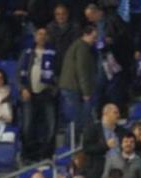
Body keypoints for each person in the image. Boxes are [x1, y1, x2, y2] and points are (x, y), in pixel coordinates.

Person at [18, 27, 58, 162]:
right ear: (35, 36)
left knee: (51, 125)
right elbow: (19, 73)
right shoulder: (27, 53)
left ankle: (46, 154)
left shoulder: (53, 53)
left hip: (46, 93)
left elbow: (58, 72)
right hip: (29, 93)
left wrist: (54, 89)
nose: (41, 36)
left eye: (44, 34)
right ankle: (29, 154)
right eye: (39, 34)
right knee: (27, 126)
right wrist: (23, 88)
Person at [82, 103, 124, 178]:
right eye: (115, 112)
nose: (118, 115)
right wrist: (105, 146)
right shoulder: (93, 129)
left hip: (120, 171)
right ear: (105, 113)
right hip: (99, 172)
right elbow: (87, 148)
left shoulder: (122, 131)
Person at [59, 25, 98, 134]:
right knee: (78, 120)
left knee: (77, 120)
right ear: (86, 34)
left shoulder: (77, 45)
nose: (95, 40)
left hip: (70, 87)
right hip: (73, 87)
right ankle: (70, 146)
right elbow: (82, 70)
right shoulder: (82, 48)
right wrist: (86, 92)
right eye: (93, 37)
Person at [47, 3, 81, 77]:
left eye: (63, 14)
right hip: (55, 63)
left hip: (70, 63)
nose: (61, 16)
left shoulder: (75, 27)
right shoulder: (50, 27)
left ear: (67, 15)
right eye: (58, 14)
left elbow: (75, 47)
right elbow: (49, 46)